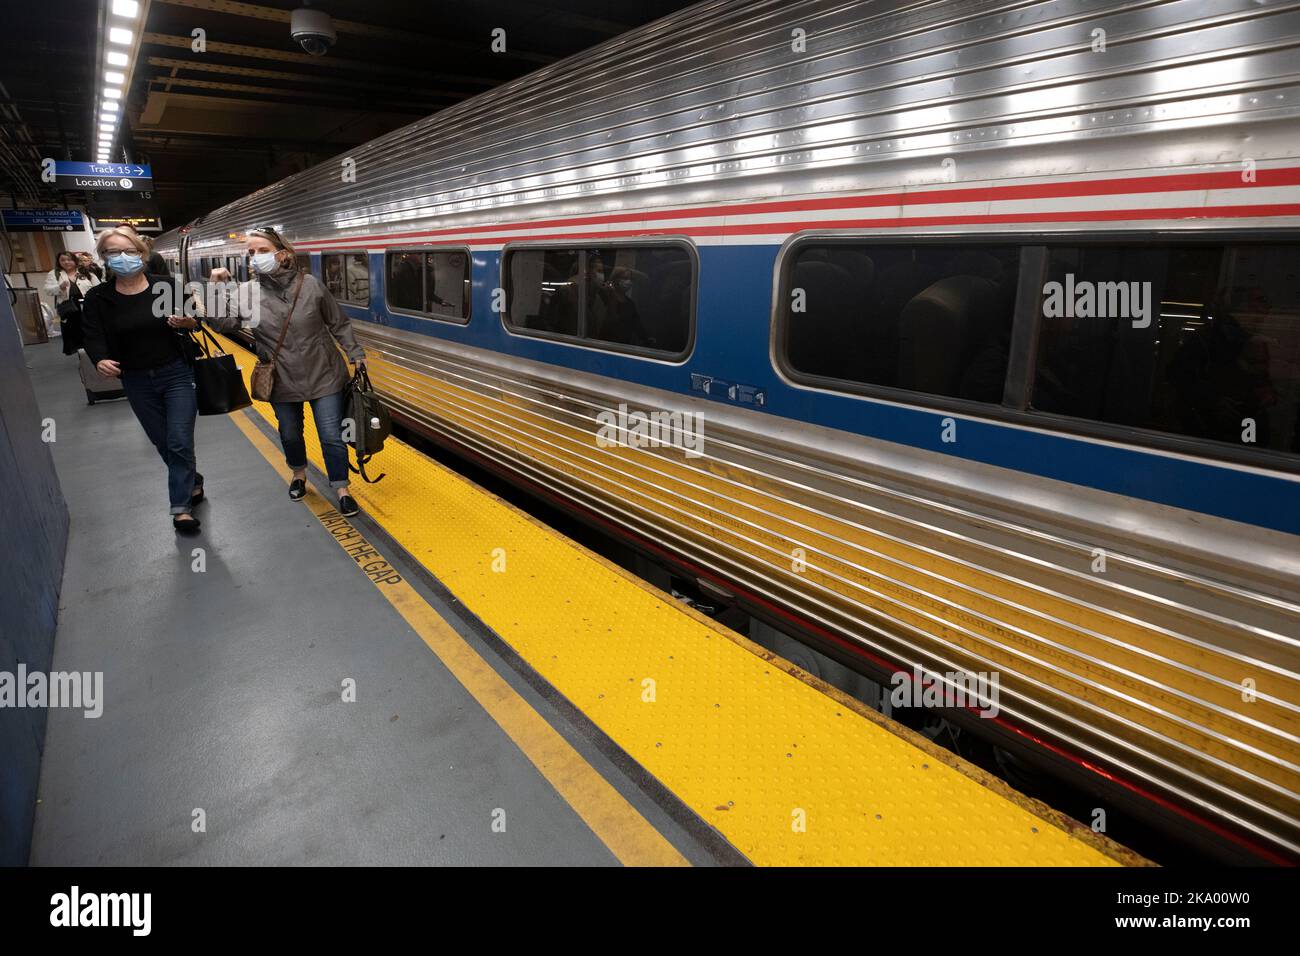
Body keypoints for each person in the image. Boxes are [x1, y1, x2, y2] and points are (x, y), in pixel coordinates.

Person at [204, 226, 366, 517]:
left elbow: (337, 323)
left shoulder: (311, 285)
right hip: (279, 376)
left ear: (283, 254)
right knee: (291, 433)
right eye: (251, 253)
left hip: (323, 372)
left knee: (331, 435)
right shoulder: (246, 293)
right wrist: (216, 287)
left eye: (262, 251)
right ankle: (299, 474)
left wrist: (355, 353)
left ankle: (341, 488)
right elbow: (222, 325)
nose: (256, 257)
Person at [80, 227, 204, 533]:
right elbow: (93, 336)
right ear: (104, 258)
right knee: (163, 442)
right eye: (113, 252)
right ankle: (194, 480)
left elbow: (194, 322)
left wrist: (187, 321)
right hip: (135, 379)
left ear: (141, 253)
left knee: (178, 440)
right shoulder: (98, 297)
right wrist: (99, 359)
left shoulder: (166, 285)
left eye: (129, 251)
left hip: (176, 372)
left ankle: (181, 509)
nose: (122, 258)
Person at [44, 251, 100, 353]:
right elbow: (47, 290)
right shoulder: (54, 274)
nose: (66, 262)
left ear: (75, 260)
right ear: (58, 262)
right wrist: (59, 287)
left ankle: (94, 354)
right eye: (63, 260)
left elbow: (98, 287)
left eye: (69, 259)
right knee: (75, 336)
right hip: (69, 309)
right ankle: (82, 358)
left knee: (91, 331)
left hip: (87, 306)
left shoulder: (85, 272)